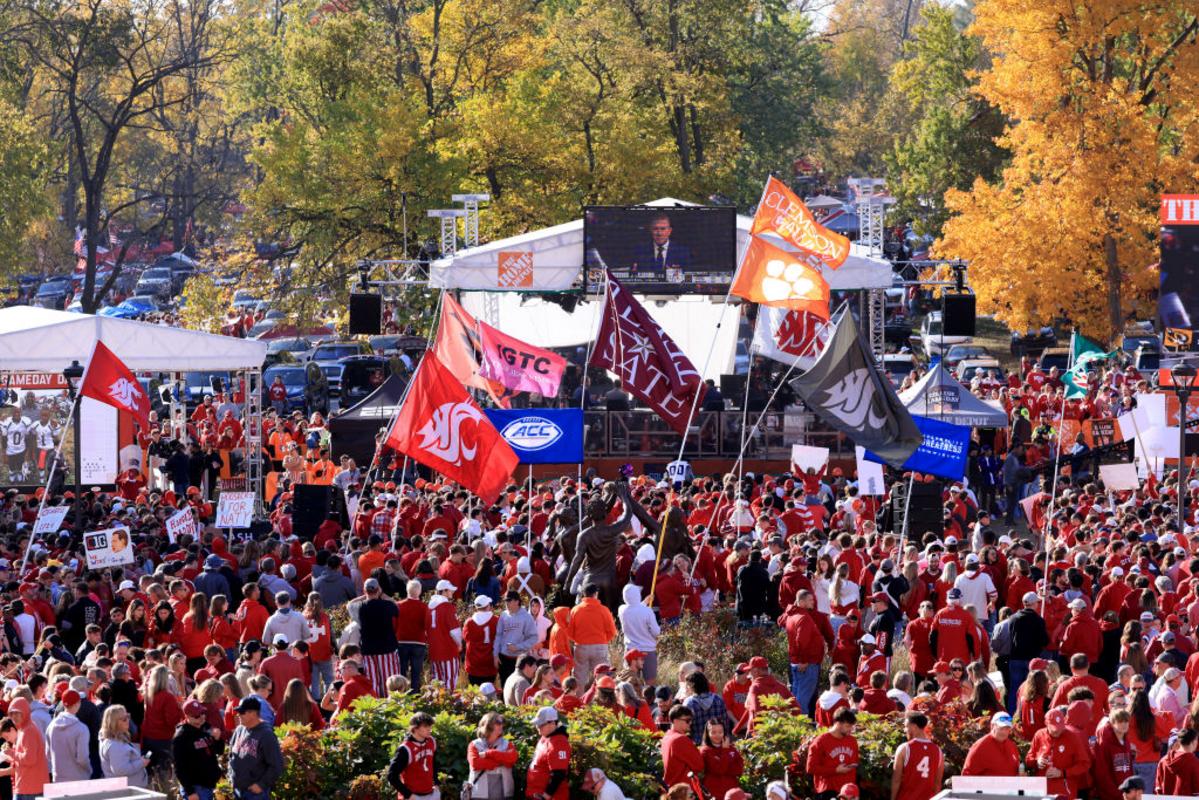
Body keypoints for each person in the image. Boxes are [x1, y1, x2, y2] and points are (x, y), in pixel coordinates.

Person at [1026, 707, 1090, 799]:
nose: (1058, 731)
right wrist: (1037, 762)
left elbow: (1084, 764)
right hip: (1042, 791)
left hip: (1065, 791)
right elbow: (1028, 759)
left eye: (1060, 727)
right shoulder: (1039, 735)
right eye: (1054, 729)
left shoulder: (1072, 737)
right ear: (1046, 724)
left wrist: (1062, 773)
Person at [228, 696, 283, 800]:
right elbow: (231, 756)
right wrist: (231, 776)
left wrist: (261, 785)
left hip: (255, 794)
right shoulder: (239, 730)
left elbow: (277, 765)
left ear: (253, 713)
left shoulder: (266, 734)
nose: (238, 715)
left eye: (242, 712)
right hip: (237, 790)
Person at [174, 697, 225, 800]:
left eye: (202, 713)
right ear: (187, 716)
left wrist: (218, 738)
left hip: (210, 785)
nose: (201, 717)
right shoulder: (181, 736)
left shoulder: (206, 727)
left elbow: (219, 751)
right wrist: (190, 792)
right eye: (197, 716)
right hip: (196, 788)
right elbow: (179, 768)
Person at [806, 707, 859, 800]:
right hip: (828, 790)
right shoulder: (820, 741)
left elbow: (854, 764)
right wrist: (835, 770)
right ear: (838, 724)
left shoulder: (852, 741)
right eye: (848, 726)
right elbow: (810, 768)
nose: (850, 730)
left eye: (851, 726)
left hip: (848, 792)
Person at [891, 712, 943, 800]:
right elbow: (937, 783)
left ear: (914, 727)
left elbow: (896, 780)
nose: (904, 730)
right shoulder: (938, 751)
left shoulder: (904, 748)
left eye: (906, 726)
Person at [465, 712, 517, 800]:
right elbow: (475, 763)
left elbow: (513, 758)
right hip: (479, 795)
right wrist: (501, 761)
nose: (502, 725)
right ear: (488, 724)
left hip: (504, 795)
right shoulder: (474, 744)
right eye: (498, 723)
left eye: (502, 723)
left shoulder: (508, 744)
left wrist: (490, 754)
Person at [387, 712, 439, 800]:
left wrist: (436, 783)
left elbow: (433, 763)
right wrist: (408, 795)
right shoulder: (405, 749)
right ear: (415, 728)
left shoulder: (431, 741)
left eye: (430, 726)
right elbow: (392, 776)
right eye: (426, 726)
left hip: (430, 793)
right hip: (413, 796)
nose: (430, 729)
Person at [99, 704, 149, 788]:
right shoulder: (114, 745)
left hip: (129, 788)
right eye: (124, 719)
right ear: (114, 723)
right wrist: (141, 763)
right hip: (127, 790)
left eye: (128, 716)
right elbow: (120, 770)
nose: (128, 720)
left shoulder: (115, 738)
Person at [46, 689, 90, 783]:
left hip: (58, 777)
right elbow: (82, 758)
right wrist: (89, 770)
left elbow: (48, 754)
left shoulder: (51, 726)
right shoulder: (81, 728)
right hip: (79, 778)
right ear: (78, 703)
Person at [527, 706, 570, 800]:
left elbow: (559, 774)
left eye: (541, 724)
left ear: (552, 723)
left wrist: (546, 796)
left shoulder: (559, 742)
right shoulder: (546, 737)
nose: (537, 727)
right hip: (536, 794)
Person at [1092, 708, 1135, 800]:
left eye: (1126, 721)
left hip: (1125, 794)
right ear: (1112, 724)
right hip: (1110, 796)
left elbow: (1129, 769)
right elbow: (1102, 773)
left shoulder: (1126, 741)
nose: (1124, 724)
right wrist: (1116, 794)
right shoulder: (1104, 743)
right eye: (1120, 721)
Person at [661, 705, 704, 788]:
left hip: (673, 787)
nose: (690, 723)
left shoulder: (667, 736)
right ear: (675, 721)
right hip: (683, 789)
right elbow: (699, 765)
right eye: (687, 720)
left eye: (691, 720)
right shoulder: (680, 739)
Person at [699, 719, 742, 800]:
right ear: (707, 734)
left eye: (720, 732)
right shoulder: (705, 751)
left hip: (731, 790)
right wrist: (725, 752)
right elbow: (719, 770)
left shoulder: (731, 748)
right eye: (713, 732)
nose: (717, 735)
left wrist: (723, 765)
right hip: (714, 792)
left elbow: (739, 769)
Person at [1156, 727, 1199, 795]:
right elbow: (1197, 791)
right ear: (1193, 741)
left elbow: (1158, 789)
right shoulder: (1194, 763)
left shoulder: (1163, 761)